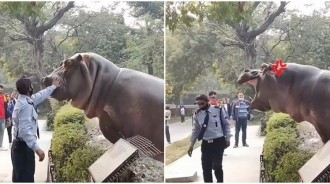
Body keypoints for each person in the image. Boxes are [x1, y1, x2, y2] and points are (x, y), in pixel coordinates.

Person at [11, 75, 61, 182]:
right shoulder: (25, 105)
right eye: (31, 86)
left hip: (21, 148)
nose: (32, 87)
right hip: (23, 149)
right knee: (25, 179)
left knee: (21, 178)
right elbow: (25, 131)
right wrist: (37, 149)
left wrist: (53, 87)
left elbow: (40, 95)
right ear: (29, 88)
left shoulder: (27, 100)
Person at [188, 94, 231, 183]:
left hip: (218, 141)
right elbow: (195, 130)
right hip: (206, 143)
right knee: (206, 168)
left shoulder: (218, 110)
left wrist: (227, 138)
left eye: (202, 103)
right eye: (198, 104)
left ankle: (220, 181)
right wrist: (191, 144)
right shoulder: (197, 114)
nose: (200, 106)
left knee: (217, 166)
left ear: (207, 102)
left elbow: (226, 124)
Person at [0, 85, 10, 151]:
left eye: (1, 89)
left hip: (3, 118)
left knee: (2, 131)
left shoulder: (4, 97)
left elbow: (6, 108)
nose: (0, 90)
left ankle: (0, 145)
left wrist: (7, 117)